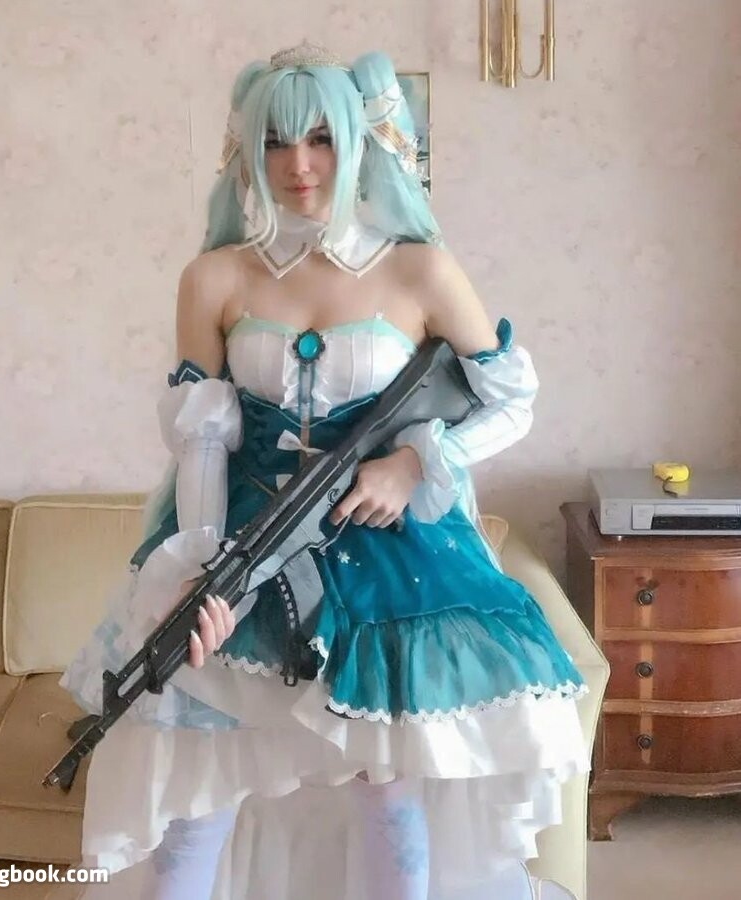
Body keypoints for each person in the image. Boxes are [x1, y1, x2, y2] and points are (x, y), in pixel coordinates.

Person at [59, 39, 586, 900]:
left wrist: (416, 461)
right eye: (273, 142)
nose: (297, 166)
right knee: (197, 790)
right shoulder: (213, 277)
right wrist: (200, 567)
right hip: (244, 542)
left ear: (357, 143)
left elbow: (509, 399)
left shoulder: (420, 269)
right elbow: (202, 439)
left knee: (386, 788)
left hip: (390, 552)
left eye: (320, 139)